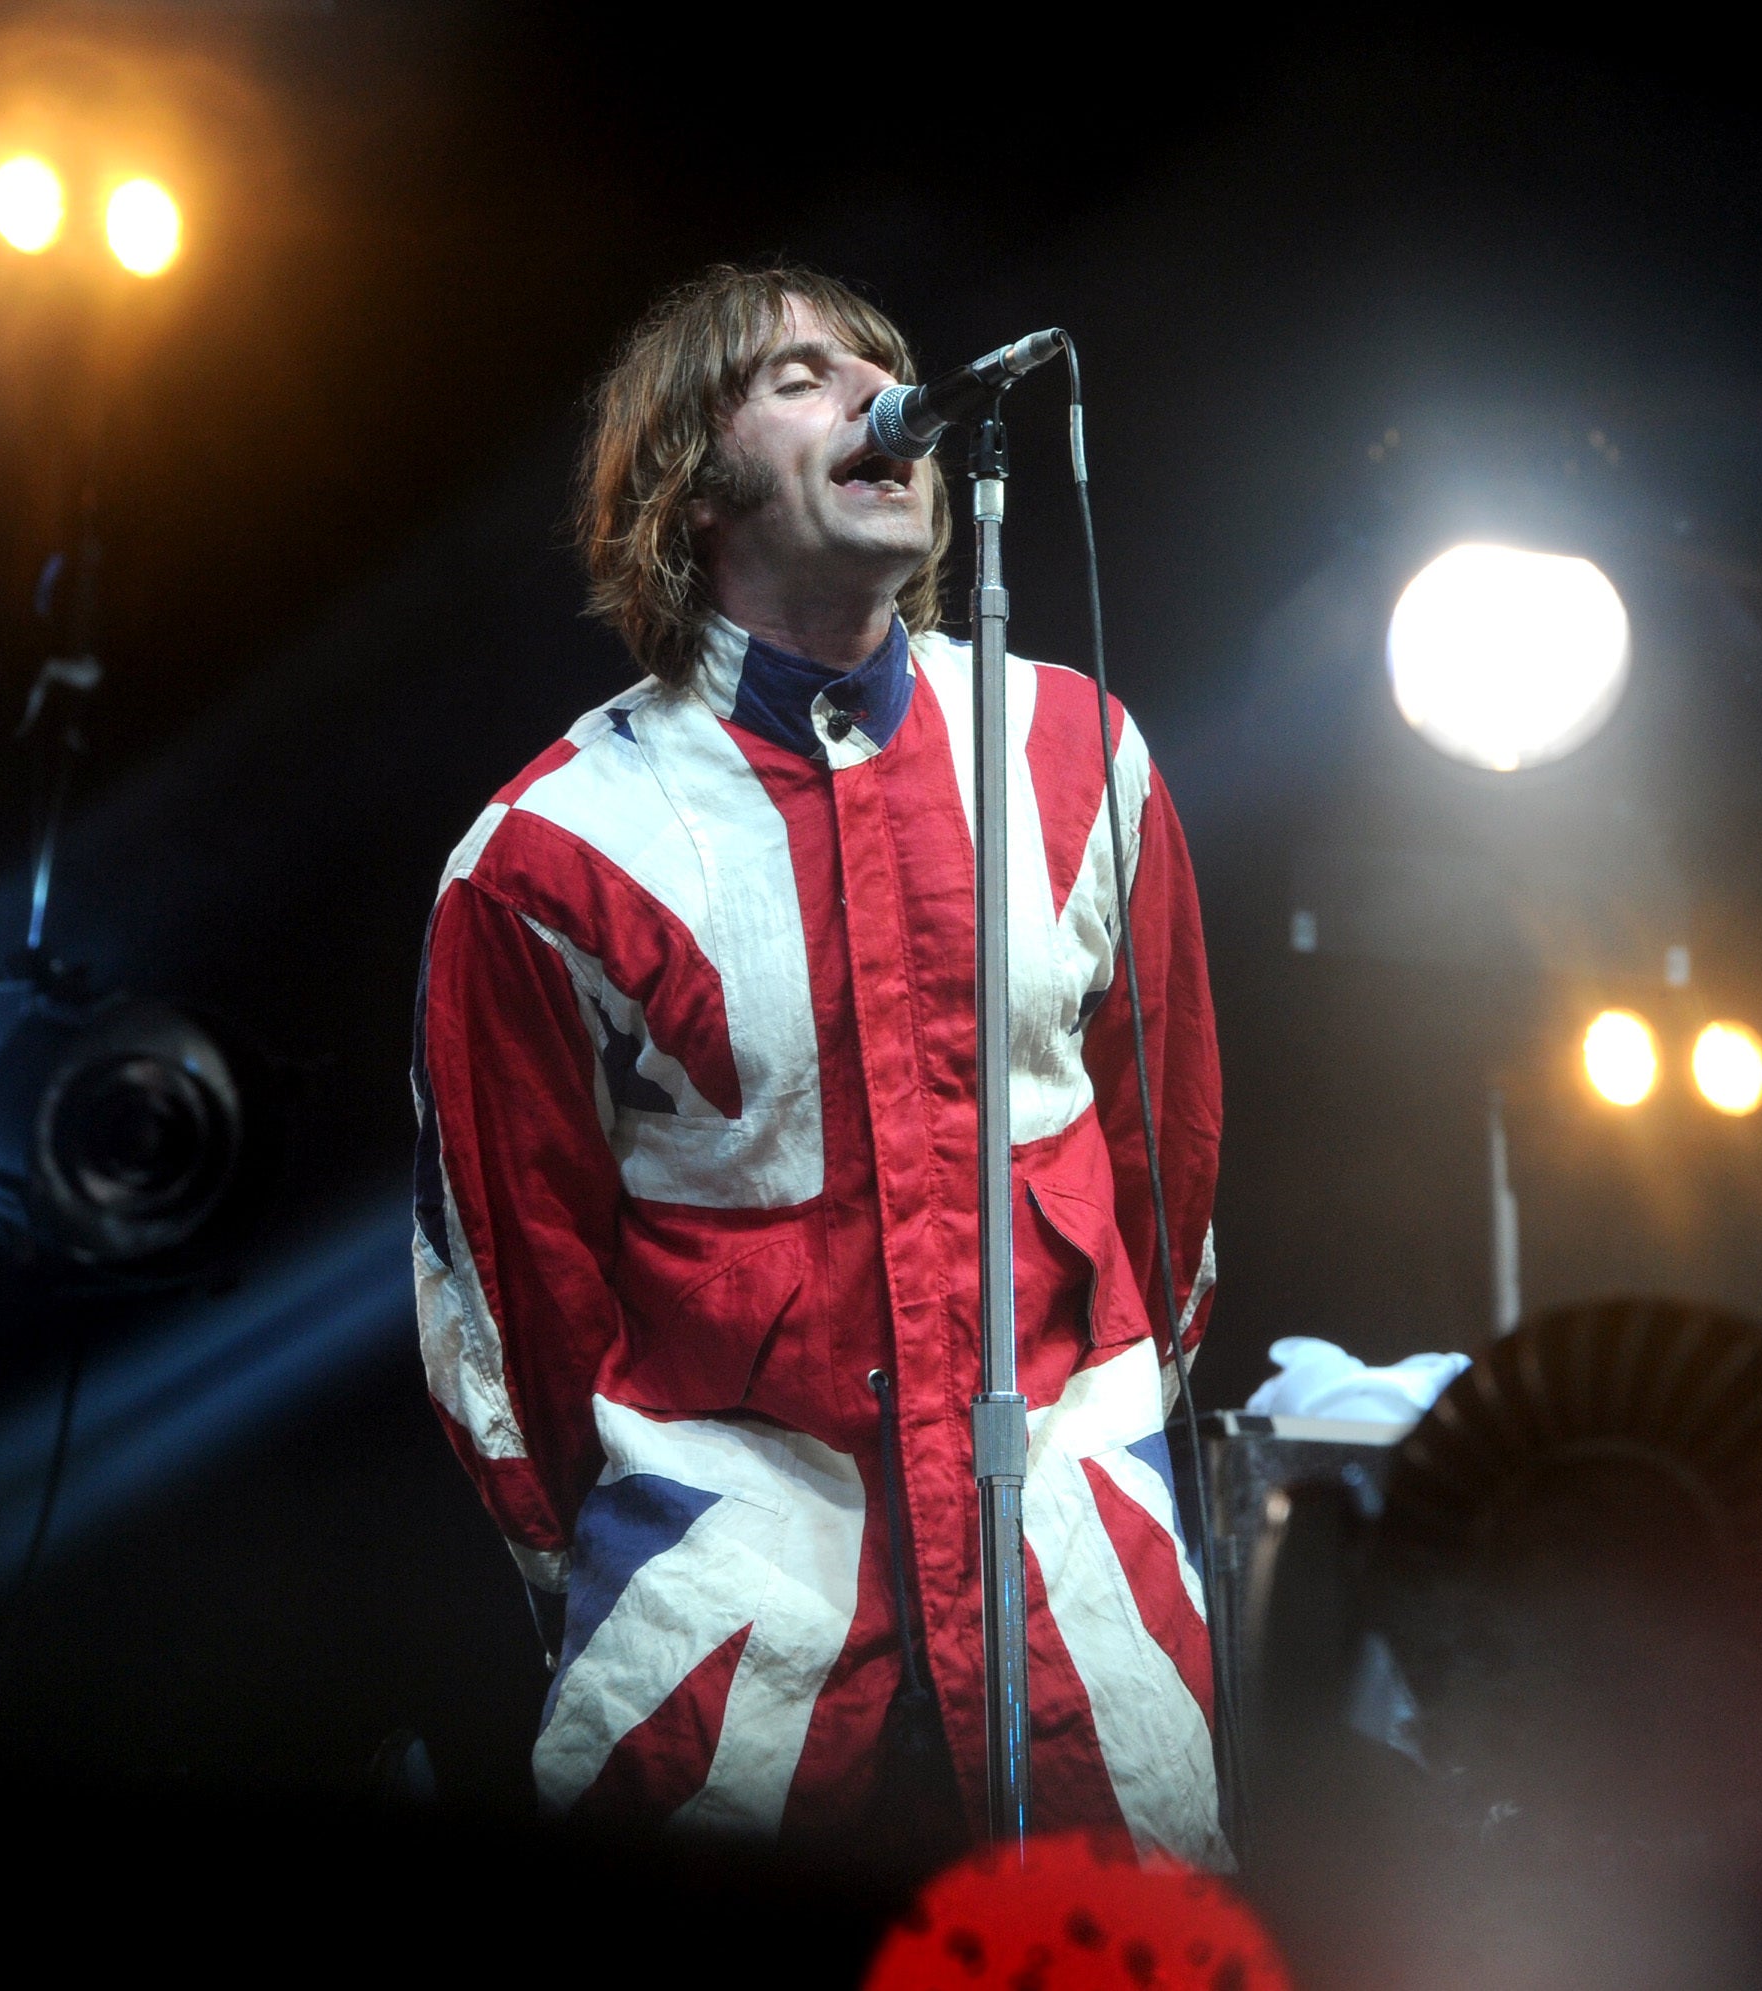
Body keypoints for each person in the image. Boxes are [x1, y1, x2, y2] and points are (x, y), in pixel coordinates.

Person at [410, 265, 1222, 1865]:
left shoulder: (1079, 759)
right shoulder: (553, 853)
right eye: (799, 376)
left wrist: (1108, 1457)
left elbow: (1166, 1174)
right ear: (686, 484)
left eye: (883, 365)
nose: (872, 393)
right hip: (737, 1658)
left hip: (1082, 1616)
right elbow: (512, 1310)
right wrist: (679, 1558)